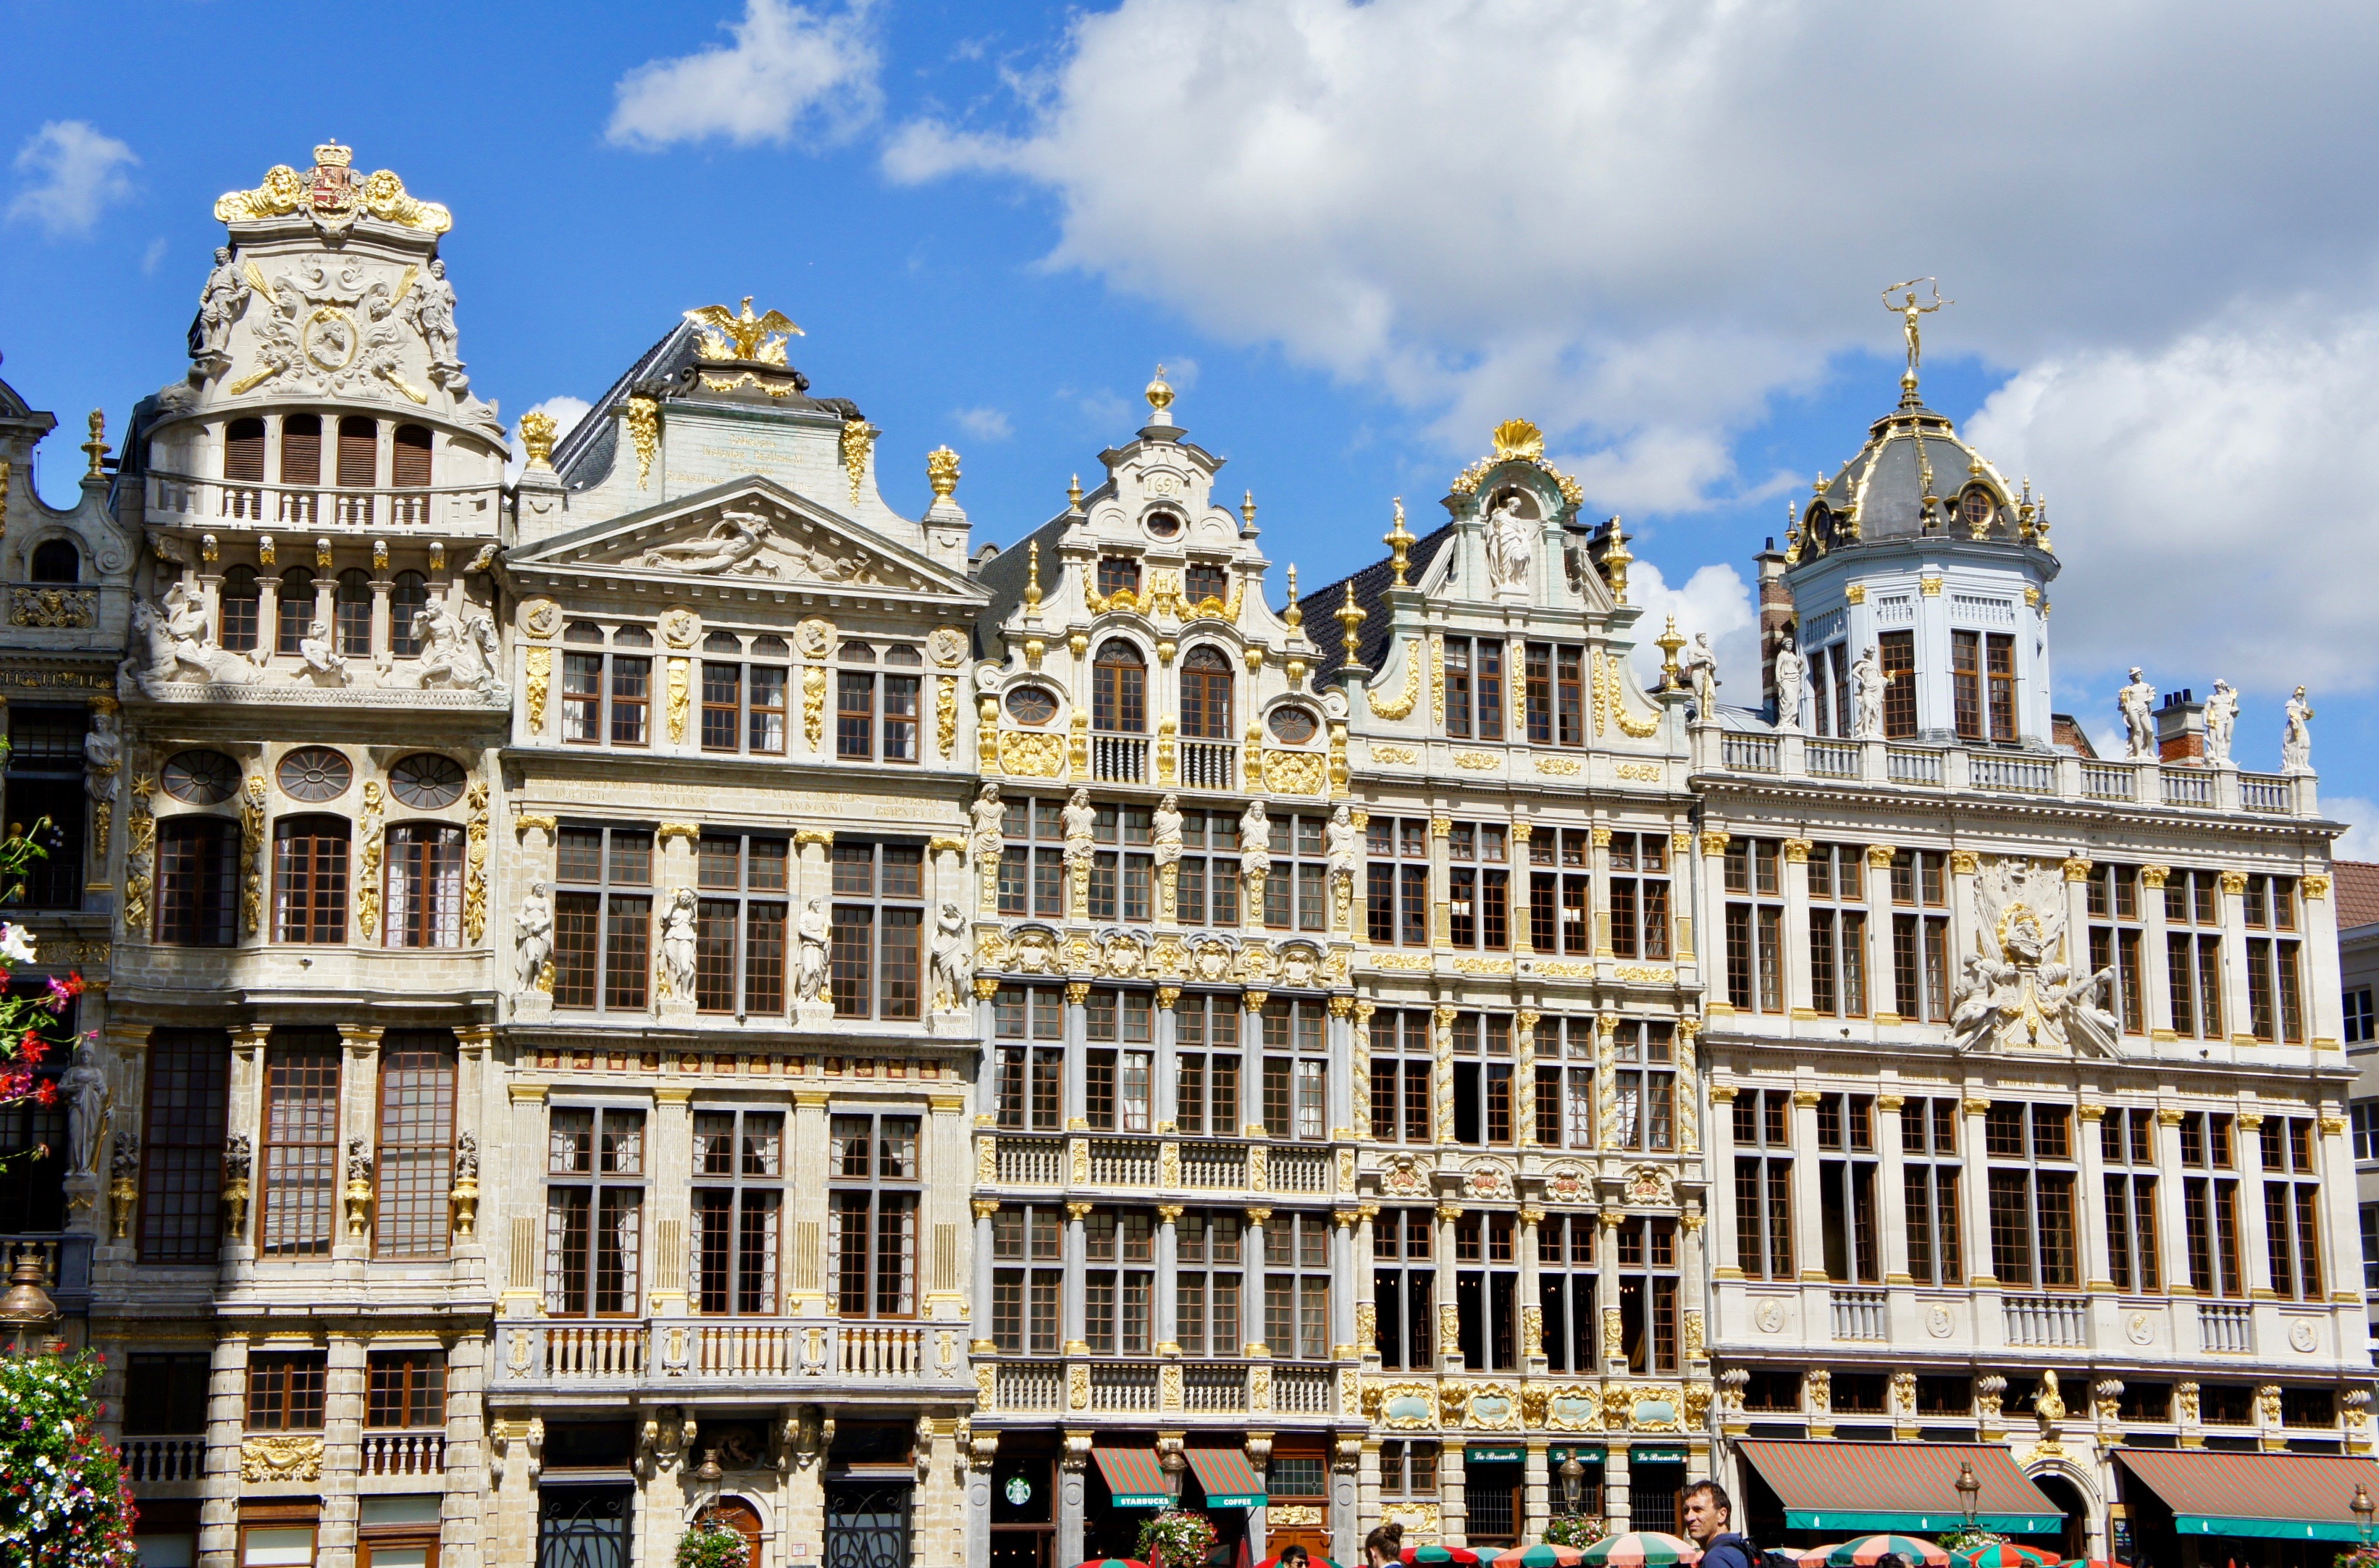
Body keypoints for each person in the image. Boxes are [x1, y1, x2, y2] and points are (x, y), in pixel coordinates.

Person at [1682, 1479, 1755, 1568]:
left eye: (1698, 1510)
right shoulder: (1737, 1549)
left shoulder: (1716, 1558)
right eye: (1686, 1511)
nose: (1689, 1518)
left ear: (1722, 1515)